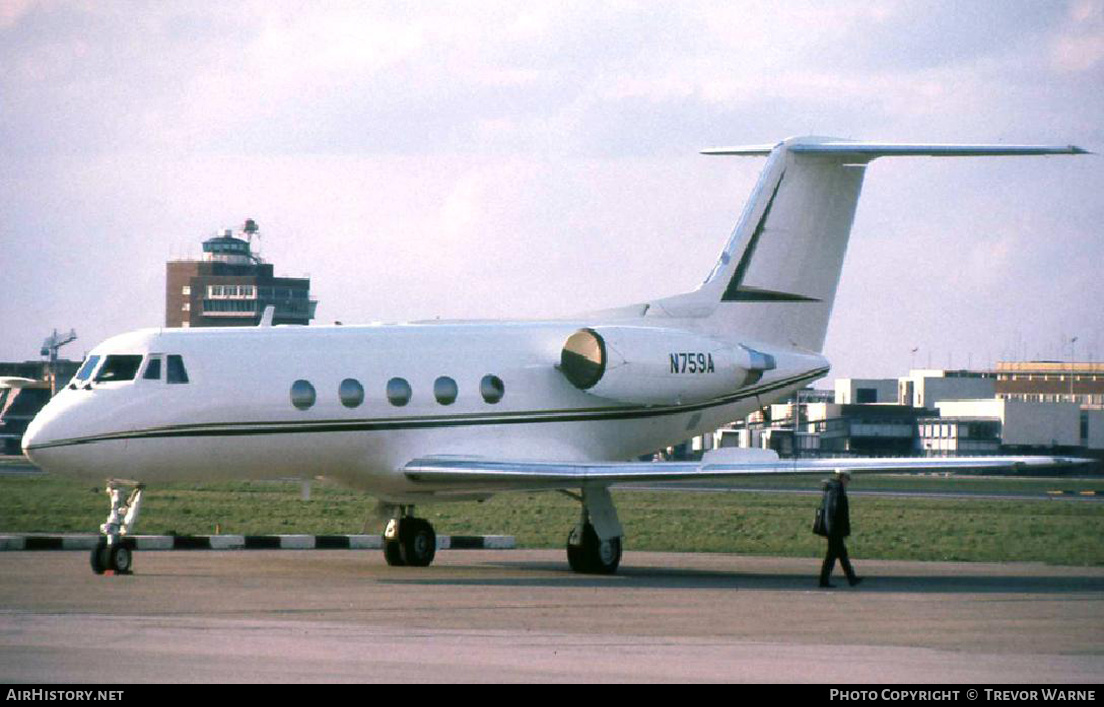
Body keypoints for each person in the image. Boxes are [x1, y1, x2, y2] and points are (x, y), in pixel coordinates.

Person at [819, 470, 862, 588]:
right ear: (842, 478)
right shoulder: (837, 491)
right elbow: (836, 512)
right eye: (847, 479)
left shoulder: (834, 489)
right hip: (835, 530)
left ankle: (851, 578)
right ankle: (826, 580)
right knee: (834, 556)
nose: (848, 482)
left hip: (834, 529)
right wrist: (839, 530)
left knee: (839, 555)